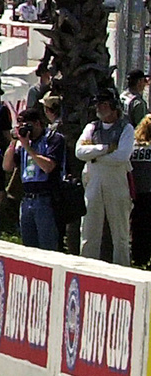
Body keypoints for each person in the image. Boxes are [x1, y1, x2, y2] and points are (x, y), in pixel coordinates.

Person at [76, 91, 134, 263]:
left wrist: (93, 156)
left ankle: (123, 270)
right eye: (98, 104)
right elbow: (79, 152)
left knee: (120, 235)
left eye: (104, 104)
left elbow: (121, 157)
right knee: (88, 231)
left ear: (114, 106)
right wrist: (105, 148)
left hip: (117, 184)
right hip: (94, 183)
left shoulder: (126, 128)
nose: (100, 108)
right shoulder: (92, 127)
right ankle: (87, 268)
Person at [5, 106, 63, 249]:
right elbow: (7, 166)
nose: (26, 130)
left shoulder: (53, 139)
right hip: (26, 200)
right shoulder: (24, 143)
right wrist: (14, 142)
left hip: (45, 199)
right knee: (28, 247)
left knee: (46, 246)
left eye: (28, 126)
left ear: (37, 123)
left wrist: (28, 148)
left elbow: (48, 166)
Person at [131, 110, 151, 268]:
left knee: (136, 227)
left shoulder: (133, 145)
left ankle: (138, 258)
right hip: (148, 192)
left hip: (133, 191)